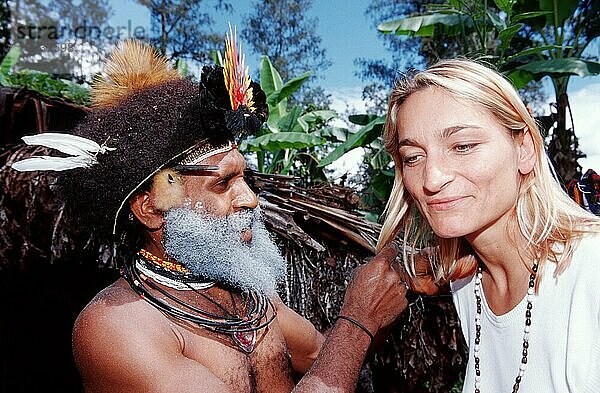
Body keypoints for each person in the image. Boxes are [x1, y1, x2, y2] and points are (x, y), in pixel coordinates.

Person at [11, 34, 408, 393]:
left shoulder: (251, 302)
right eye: (223, 183)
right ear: (151, 209)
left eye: (246, 179)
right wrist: (357, 323)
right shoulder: (118, 328)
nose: (251, 199)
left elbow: (329, 358)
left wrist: (389, 281)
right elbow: (348, 342)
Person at [377, 59, 600, 393]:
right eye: (413, 157)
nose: (433, 178)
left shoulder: (590, 273)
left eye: (463, 146)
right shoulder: (469, 283)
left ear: (524, 148)